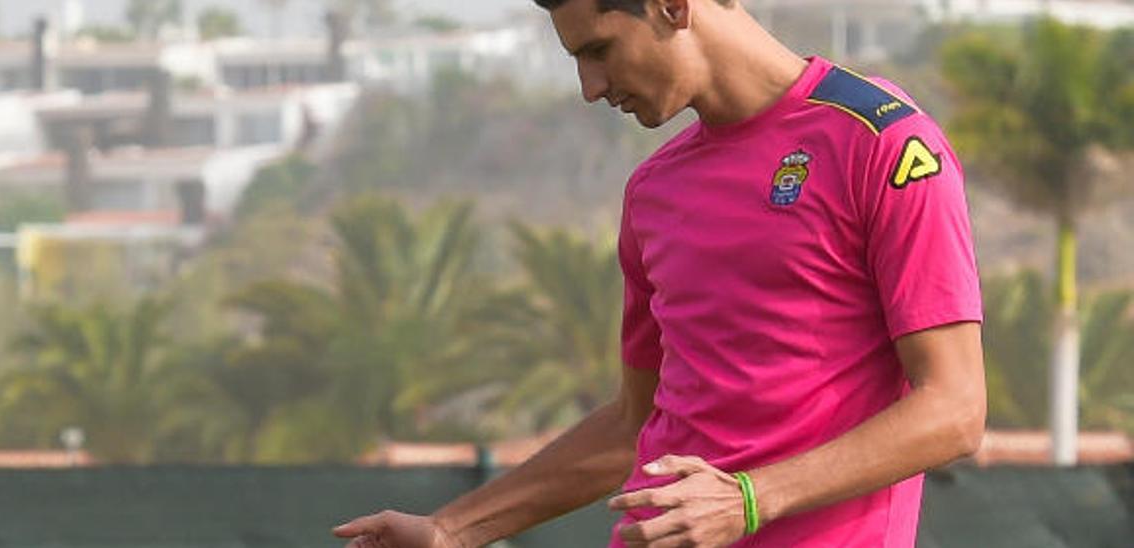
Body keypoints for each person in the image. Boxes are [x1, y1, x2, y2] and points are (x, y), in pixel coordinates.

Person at [332, 1, 986, 546]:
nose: (590, 87)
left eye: (599, 50)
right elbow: (633, 423)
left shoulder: (884, 143)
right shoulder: (654, 189)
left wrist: (749, 501)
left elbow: (954, 410)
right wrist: (451, 529)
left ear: (674, 6)